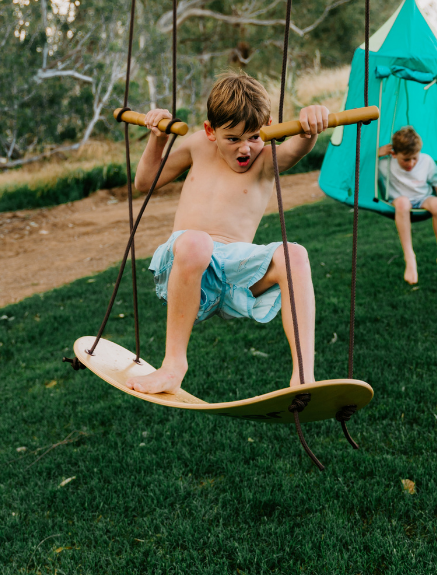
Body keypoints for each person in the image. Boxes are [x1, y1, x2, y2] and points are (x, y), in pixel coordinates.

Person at [125, 73, 330, 395]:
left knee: (295, 255)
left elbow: (295, 151)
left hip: (234, 276)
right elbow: (145, 182)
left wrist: (309, 127)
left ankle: (303, 376)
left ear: (269, 126)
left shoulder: (265, 161)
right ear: (210, 131)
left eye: (254, 136)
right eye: (232, 138)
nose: (245, 148)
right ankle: (173, 365)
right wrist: (158, 138)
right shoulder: (196, 145)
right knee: (196, 242)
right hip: (186, 266)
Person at [376, 125, 437, 286]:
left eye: (414, 158)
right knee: (403, 203)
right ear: (395, 153)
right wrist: (376, 154)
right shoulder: (385, 164)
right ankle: (410, 257)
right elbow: (360, 169)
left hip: (423, 198)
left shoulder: (425, 160)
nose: (411, 163)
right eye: (406, 159)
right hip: (400, 200)